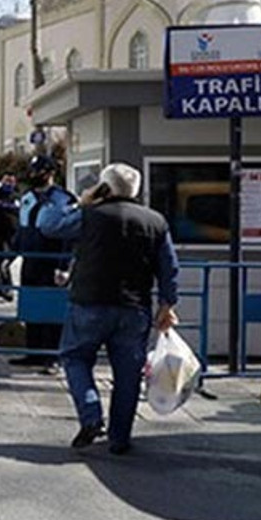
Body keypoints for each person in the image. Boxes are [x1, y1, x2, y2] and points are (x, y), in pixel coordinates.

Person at [37, 162, 179, 455]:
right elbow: (169, 267)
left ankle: (91, 415)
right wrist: (167, 303)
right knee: (128, 375)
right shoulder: (155, 221)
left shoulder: (90, 215)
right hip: (134, 307)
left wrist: (81, 201)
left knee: (75, 358)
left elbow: (48, 225)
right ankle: (119, 439)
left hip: (90, 302)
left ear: (105, 187)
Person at [11, 155, 77, 372]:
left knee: (52, 310)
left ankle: (52, 357)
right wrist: (8, 257)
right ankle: (33, 353)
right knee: (32, 307)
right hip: (30, 260)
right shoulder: (27, 197)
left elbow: (69, 235)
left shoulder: (63, 199)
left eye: (38, 171)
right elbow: (22, 229)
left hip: (52, 261)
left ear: (50, 173)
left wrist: (64, 266)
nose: (33, 175)